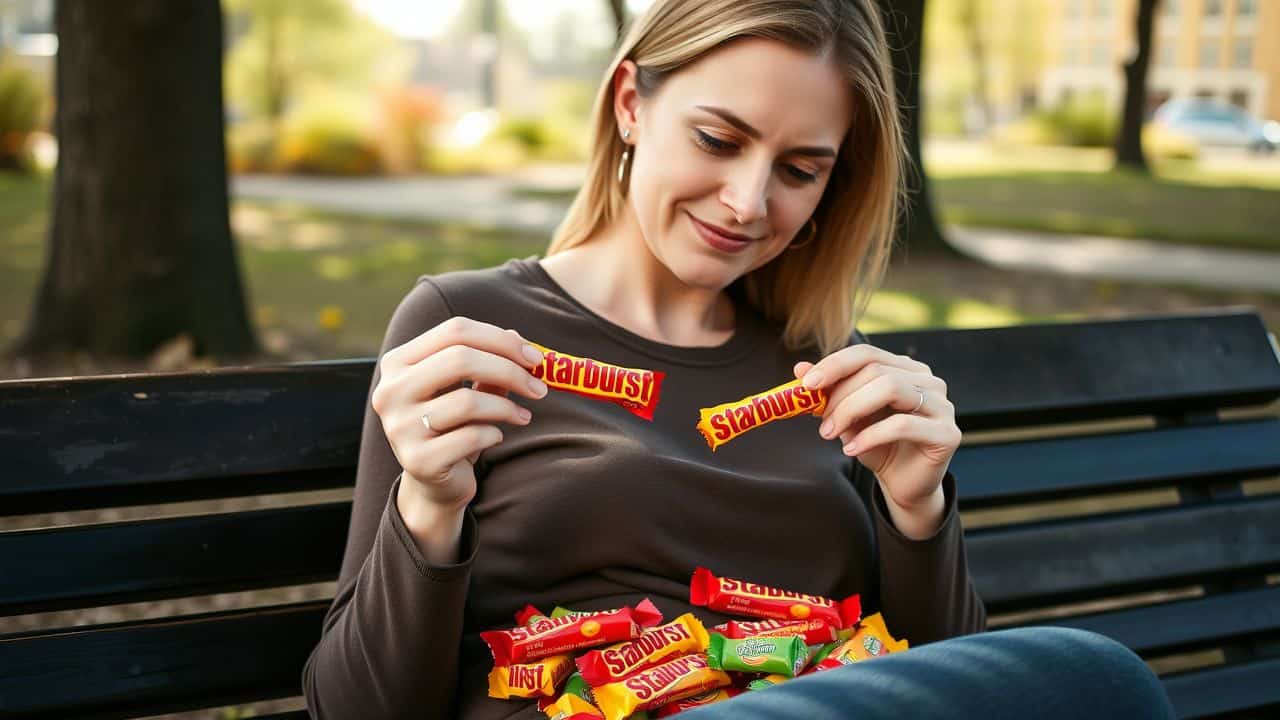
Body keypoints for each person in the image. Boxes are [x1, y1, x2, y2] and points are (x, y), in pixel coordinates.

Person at [302, 1, 1175, 718]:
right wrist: (427, 507)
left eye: (800, 168)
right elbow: (351, 712)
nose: (748, 202)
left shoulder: (835, 374)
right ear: (630, 105)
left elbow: (947, 686)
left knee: (1103, 679)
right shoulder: (468, 325)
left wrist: (917, 513)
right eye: (719, 140)